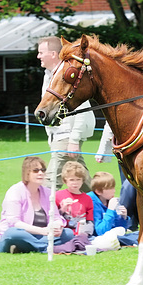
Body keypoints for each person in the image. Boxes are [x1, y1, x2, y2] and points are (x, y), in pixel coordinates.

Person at [38, 36, 96, 192]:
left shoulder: (68, 75)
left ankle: (41, 214)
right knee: (82, 179)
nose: (38, 56)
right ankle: (102, 206)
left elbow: (80, 108)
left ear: (52, 54)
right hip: (60, 135)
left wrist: (74, 139)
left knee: (51, 180)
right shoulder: (48, 75)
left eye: (41, 52)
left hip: (67, 135)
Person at [0, 157, 74, 253]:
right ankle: (45, 247)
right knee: (13, 234)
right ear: (27, 173)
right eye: (36, 170)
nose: (40, 173)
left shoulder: (47, 193)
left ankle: (27, 247)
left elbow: (56, 217)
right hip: (21, 233)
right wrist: (42, 231)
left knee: (68, 233)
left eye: (43, 170)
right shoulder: (15, 191)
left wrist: (56, 227)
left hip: (42, 236)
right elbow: (14, 222)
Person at [88, 171, 139, 247]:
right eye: (110, 188)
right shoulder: (92, 202)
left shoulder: (108, 199)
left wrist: (123, 218)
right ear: (98, 191)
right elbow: (100, 232)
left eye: (113, 187)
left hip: (111, 235)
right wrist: (110, 210)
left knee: (138, 234)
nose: (114, 191)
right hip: (96, 238)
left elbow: (120, 229)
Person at [55, 161, 95, 236]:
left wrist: (86, 233)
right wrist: (63, 209)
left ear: (83, 180)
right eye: (71, 180)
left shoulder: (87, 199)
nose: (75, 183)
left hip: (81, 233)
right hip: (64, 233)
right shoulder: (58, 195)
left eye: (78, 179)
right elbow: (53, 218)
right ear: (65, 181)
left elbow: (90, 221)